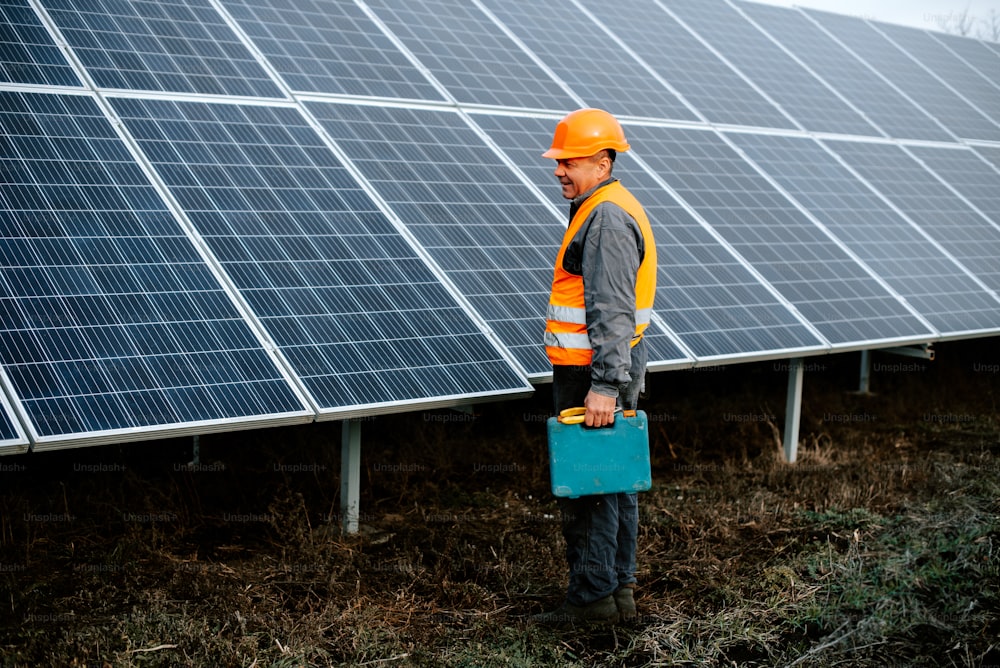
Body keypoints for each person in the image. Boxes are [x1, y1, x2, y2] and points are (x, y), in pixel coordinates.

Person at [532, 108, 657, 627]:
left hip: (593, 374)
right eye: (558, 161)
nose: (559, 170)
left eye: (571, 162)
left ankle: (591, 601)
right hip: (605, 368)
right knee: (614, 483)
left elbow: (610, 310)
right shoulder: (606, 205)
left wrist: (605, 386)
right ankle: (617, 592)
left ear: (603, 163)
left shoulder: (604, 217)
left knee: (589, 488)